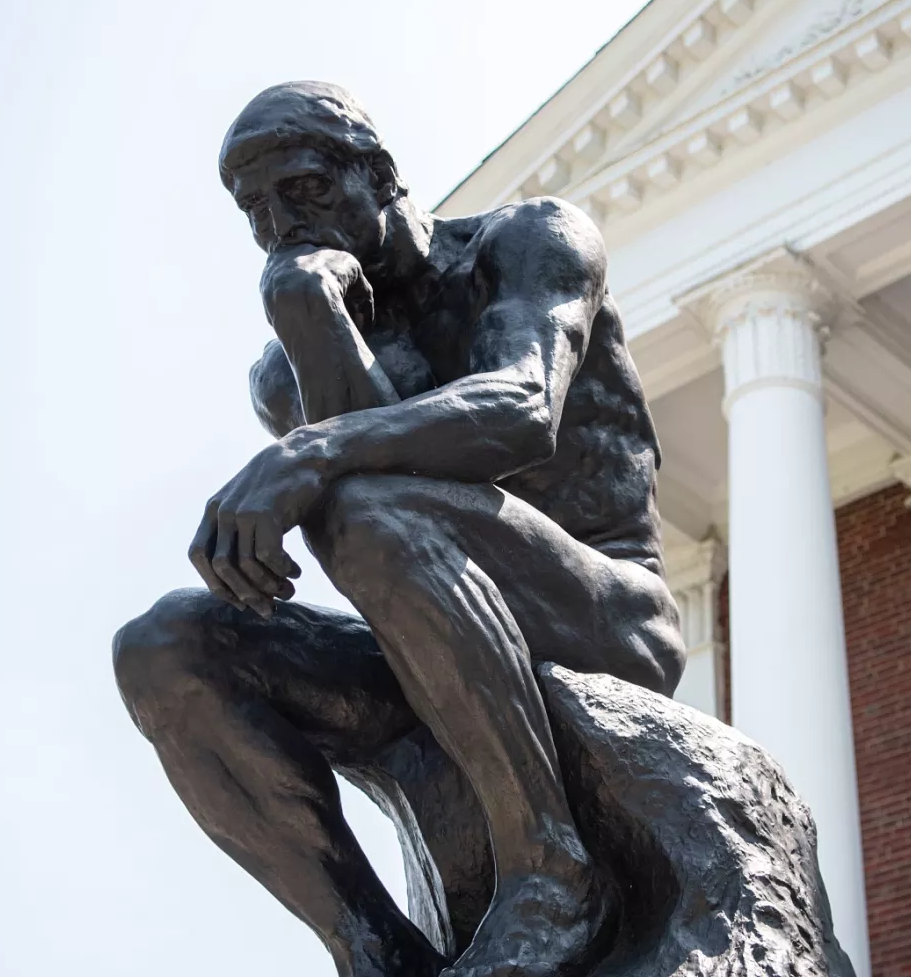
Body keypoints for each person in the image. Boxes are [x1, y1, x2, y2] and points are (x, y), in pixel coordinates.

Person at [112, 82, 684, 977]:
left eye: (299, 190)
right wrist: (307, 311)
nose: (279, 227)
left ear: (378, 174)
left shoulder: (527, 241)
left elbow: (522, 408)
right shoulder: (288, 362)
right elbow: (365, 500)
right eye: (253, 211)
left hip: (602, 620)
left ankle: (549, 870)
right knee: (164, 645)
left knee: (364, 501)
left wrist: (313, 454)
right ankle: (374, 949)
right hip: (423, 645)